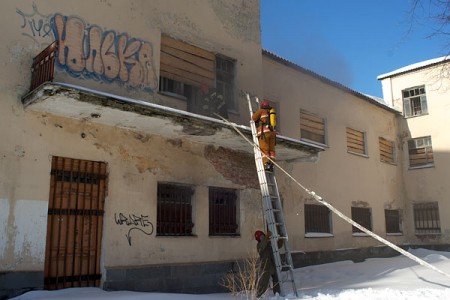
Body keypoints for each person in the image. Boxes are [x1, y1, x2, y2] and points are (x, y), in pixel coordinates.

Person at [254, 230, 283, 297]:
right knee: (264, 282)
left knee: (276, 280)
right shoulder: (259, 246)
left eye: (262, 236)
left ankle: (277, 294)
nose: (262, 238)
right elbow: (262, 245)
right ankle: (259, 295)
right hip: (265, 266)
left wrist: (281, 239)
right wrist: (266, 237)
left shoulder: (269, 244)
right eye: (260, 237)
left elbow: (277, 246)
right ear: (258, 239)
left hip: (273, 265)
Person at [252, 101, 276, 171]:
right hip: (272, 133)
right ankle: (272, 165)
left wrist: (255, 114)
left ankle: (266, 164)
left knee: (264, 149)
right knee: (271, 151)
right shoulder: (272, 113)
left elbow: (253, 118)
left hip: (264, 133)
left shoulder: (261, 111)